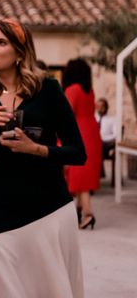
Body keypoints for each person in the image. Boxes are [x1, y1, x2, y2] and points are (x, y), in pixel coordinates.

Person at [0, 18, 86, 298]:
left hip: (48, 207)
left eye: (1, 42)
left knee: (47, 289)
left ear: (20, 52)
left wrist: (37, 149)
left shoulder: (48, 90)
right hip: (0, 209)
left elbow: (78, 153)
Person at [63, 58, 103, 229]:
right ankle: (79, 210)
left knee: (78, 174)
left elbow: (66, 115)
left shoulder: (72, 89)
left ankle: (87, 213)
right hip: (93, 132)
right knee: (83, 174)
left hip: (80, 133)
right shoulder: (90, 91)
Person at [95, 98, 118, 178]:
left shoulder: (112, 119)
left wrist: (103, 138)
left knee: (98, 146)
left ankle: (100, 173)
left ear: (106, 107)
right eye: (97, 106)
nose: (99, 108)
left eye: (101, 106)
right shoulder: (93, 118)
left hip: (106, 144)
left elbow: (116, 135)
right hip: (95, 144)